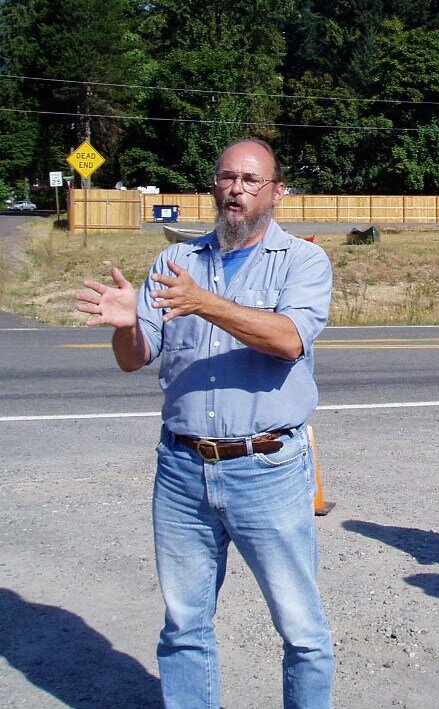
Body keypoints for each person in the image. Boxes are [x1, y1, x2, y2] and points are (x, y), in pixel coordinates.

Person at [74, 139, 335, 708]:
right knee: (184, 627)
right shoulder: (176, 263)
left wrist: (204, 302)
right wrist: (125, 324)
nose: (235, 189)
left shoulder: (303, 261)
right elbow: (133, 358)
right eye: (226, 178)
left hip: (267, 467)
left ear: (276, 192)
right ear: (214, 187)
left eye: (250, 179)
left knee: (302, 631)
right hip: (182, 471)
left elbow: (288, 340)